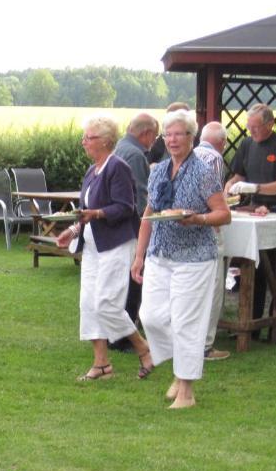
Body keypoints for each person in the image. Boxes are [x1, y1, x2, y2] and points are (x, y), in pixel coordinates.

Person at [131, 110, 231, 409]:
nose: (173, 139)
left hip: (195, 258)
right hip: (160, 254)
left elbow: (223, 214)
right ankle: (179, 367)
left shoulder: (203, 172)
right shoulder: (159, 170)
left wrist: (197, 218)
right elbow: (149, 214)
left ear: (192, 138)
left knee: (187, 322)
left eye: (179, 134)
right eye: (168, 134)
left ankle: (186, 389)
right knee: (150, 316)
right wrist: (139, 256)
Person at [56, 115, 154, 381]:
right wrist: (73, 230)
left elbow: (126, 207)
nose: (83, 142)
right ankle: (101, 364)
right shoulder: (92, 171)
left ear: (105, 141)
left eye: (89, 137)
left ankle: (143, 348)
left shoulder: (117, 167)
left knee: (107, 304)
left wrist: (97, 213)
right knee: (89, 304)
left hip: (117, 243)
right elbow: (84, 213)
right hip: (92, 246)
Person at [225, 103, 276, 342]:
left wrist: (255, 187)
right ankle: (252, 325)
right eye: (249, 127)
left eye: (256, 127)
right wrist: (230, 187)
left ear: (270, 124)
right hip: (255, 209)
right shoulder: (247, 144)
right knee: (254, 268)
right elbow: (238, 173)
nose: (252, 132)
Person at [110, 112, 159, 351]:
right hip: (132, 227)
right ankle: (125, 337)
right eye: (156, 136)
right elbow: (141, 198)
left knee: (118, 283)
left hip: (115, 226)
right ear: (146, 133)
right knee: (133, 281)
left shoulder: (118, 147)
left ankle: (114, 334)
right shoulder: (136, 155)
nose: (155, 141)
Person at [193, 121, 231, 362]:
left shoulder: (190, 154)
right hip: (206, 229)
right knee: (214, 286)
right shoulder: (215, 159)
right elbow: (214, 200)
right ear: (223, 143)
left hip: (187, 231)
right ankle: (205, 344)